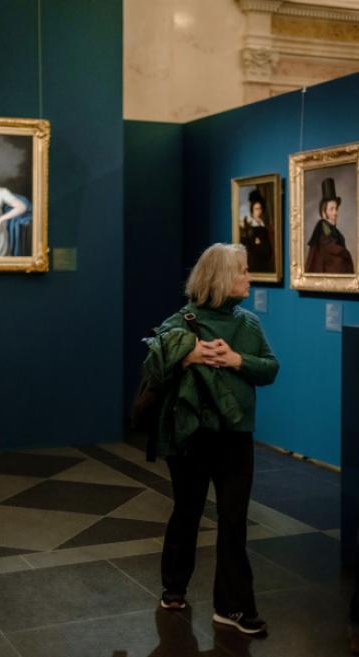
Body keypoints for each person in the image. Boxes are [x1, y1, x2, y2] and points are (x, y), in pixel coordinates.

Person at [142, 243, 279, 636]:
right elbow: (154, 367)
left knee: (234, 521)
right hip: (190, 436)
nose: (249, 279)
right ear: (221, 279)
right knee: (187, 511)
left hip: (235, 437)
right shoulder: (179, 322)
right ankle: (173, 587)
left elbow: (270, 369)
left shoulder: (248, 324)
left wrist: (239, 360)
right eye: (243, 273)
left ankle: (232, 607)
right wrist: (186, 355)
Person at [305, 177, 354, 274]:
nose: (335, 213)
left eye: (336, 209)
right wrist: (346, 253)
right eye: (331, 209)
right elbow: (329, 246)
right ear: (324, 213)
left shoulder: (333, 229)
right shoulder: (324, 225)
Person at [240, 190, 274, 273]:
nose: (259, 211)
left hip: (265, 258)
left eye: (260, 208)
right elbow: (250, 244)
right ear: (252, 210)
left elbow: (266, 243)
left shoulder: (263, 224)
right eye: (256, 209)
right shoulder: (250, 225)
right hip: (255, 259)